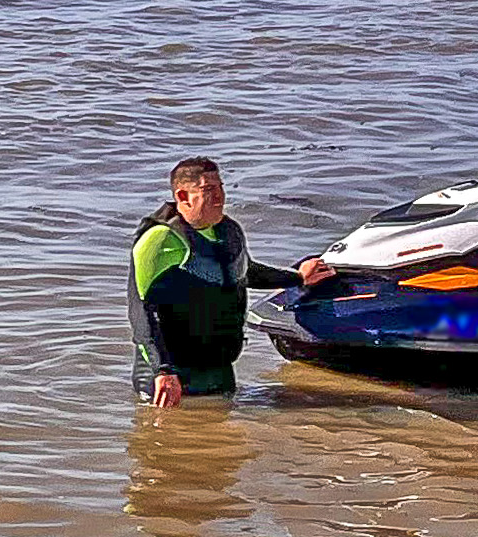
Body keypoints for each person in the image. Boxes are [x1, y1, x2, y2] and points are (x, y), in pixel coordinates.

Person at [131, 156, 333, 405]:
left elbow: (245, 272)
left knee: (228, 438)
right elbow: (141, 311)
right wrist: (163, 369)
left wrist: (298, 278)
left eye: (221, 187)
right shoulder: (160, 239)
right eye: (208, 190)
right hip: (171, 378)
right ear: (183, 197)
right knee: (167, 439)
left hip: (219, 370)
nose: (219, 197)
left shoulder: (229, 231)